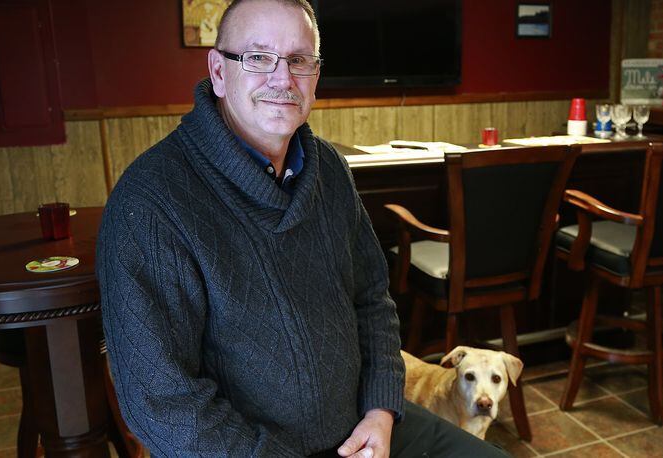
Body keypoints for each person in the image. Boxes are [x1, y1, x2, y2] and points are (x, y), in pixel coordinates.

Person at [96, 0, 510, 456]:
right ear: (218, 71)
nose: (282, 78)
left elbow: (372, 299)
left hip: (363, 429)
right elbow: (161, 401)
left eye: (299, 60)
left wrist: (380, 409)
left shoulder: (330, 169)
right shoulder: (151, 201)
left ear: (316, 75)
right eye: (257, 58)